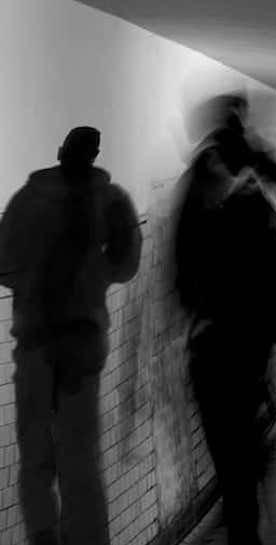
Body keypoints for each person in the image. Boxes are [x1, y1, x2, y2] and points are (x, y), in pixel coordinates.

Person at [0, 127, 142, 545]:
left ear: (60, 149)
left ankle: (43, 537)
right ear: (95, 155)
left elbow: (2, 263)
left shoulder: (27, 199)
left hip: (34, 342)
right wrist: (92, 279)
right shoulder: (112, 200)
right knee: (80, 456)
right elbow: (127, 265)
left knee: (34, 455)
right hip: (83, 344)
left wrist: (32, 285)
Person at [173, 95, 276, 545]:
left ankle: (243, 515)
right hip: (254, 333)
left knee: (224, 433)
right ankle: (246, 508)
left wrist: (192, 310)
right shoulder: (268, 177)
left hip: (215, 331)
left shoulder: (204, 173)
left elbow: (185, 252)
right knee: (242, 425)